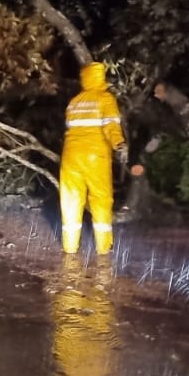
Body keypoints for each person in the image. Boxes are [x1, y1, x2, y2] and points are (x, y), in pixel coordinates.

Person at [59, 62, 127, 254]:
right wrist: (119, 143)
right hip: (95, 156)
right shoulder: (105, 98)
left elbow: (70, 127)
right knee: (100, 199)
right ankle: (103, 247)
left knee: (71, 200)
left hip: (71, 157)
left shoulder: (75, 102)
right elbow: (111, 125)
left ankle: (70, 247)